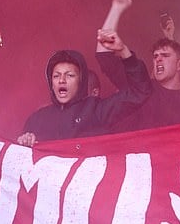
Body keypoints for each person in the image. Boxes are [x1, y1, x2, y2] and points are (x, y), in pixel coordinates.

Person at [17, 30, 152, 147]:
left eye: (69, 75)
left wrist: (124, 52)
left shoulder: (96, 110)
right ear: (51, 82)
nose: (62, 80)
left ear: (81, 82)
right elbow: (19, 164)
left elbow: (140, 91)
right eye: (56, 76)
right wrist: (24, 143)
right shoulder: (37, 119)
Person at [95, 0, 180, 132]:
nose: (158, 59)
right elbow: (105, 58)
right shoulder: (142, 90)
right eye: (155, 56)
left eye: (164, 56)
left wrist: (170, 38)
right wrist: (116, 9)